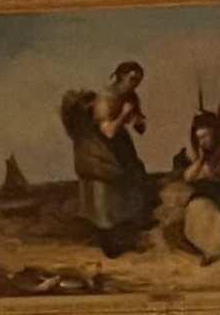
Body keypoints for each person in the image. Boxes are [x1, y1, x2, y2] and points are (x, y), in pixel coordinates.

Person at [59, 60, 153, 251]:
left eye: (138, 80)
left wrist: (138, 120)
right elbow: (108, 132)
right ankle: (109, 242)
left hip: (119, 146)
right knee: (104, 187)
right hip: (98, 147)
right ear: (120, 77)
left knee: (134, 178)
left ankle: (130, 231)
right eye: (132, 79)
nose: (135, 84)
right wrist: (123, 115)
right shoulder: (105, 99)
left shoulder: (131, 97)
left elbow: (139, 127)